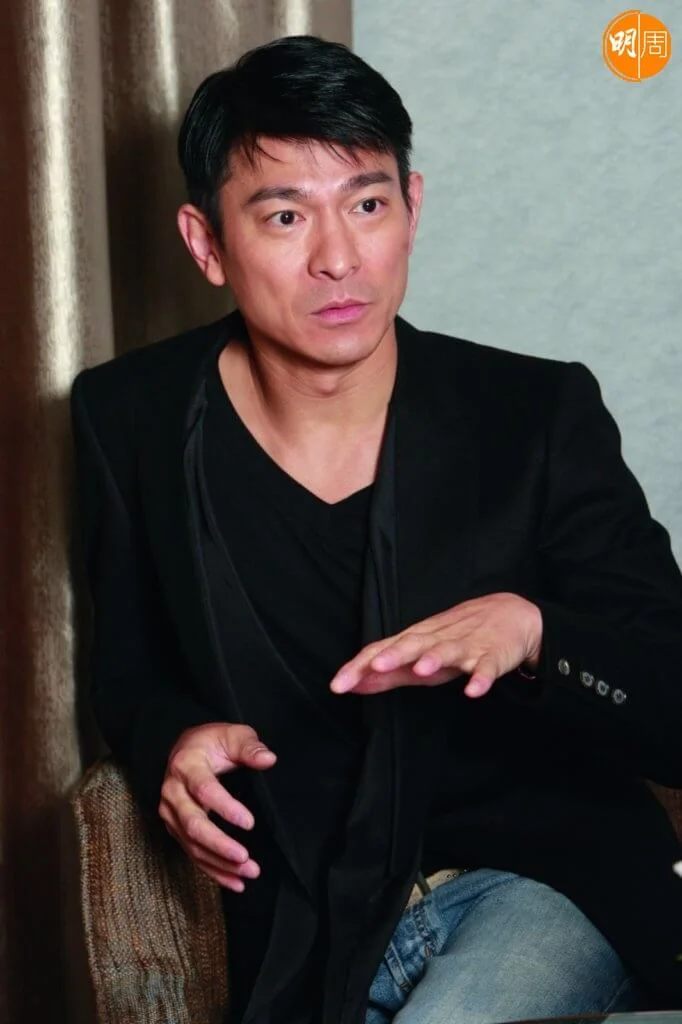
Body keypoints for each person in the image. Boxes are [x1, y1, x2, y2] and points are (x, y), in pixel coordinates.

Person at [70, 34, 682, 1024]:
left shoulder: (533, 414)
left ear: (412, 208)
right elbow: (129, 668)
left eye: (367, 204)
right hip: (303, 922)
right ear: (206, 243)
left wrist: (537, 635)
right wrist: (173, 737)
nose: (339, 258)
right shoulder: (130, 417)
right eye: (284, 215)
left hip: (539, 886)